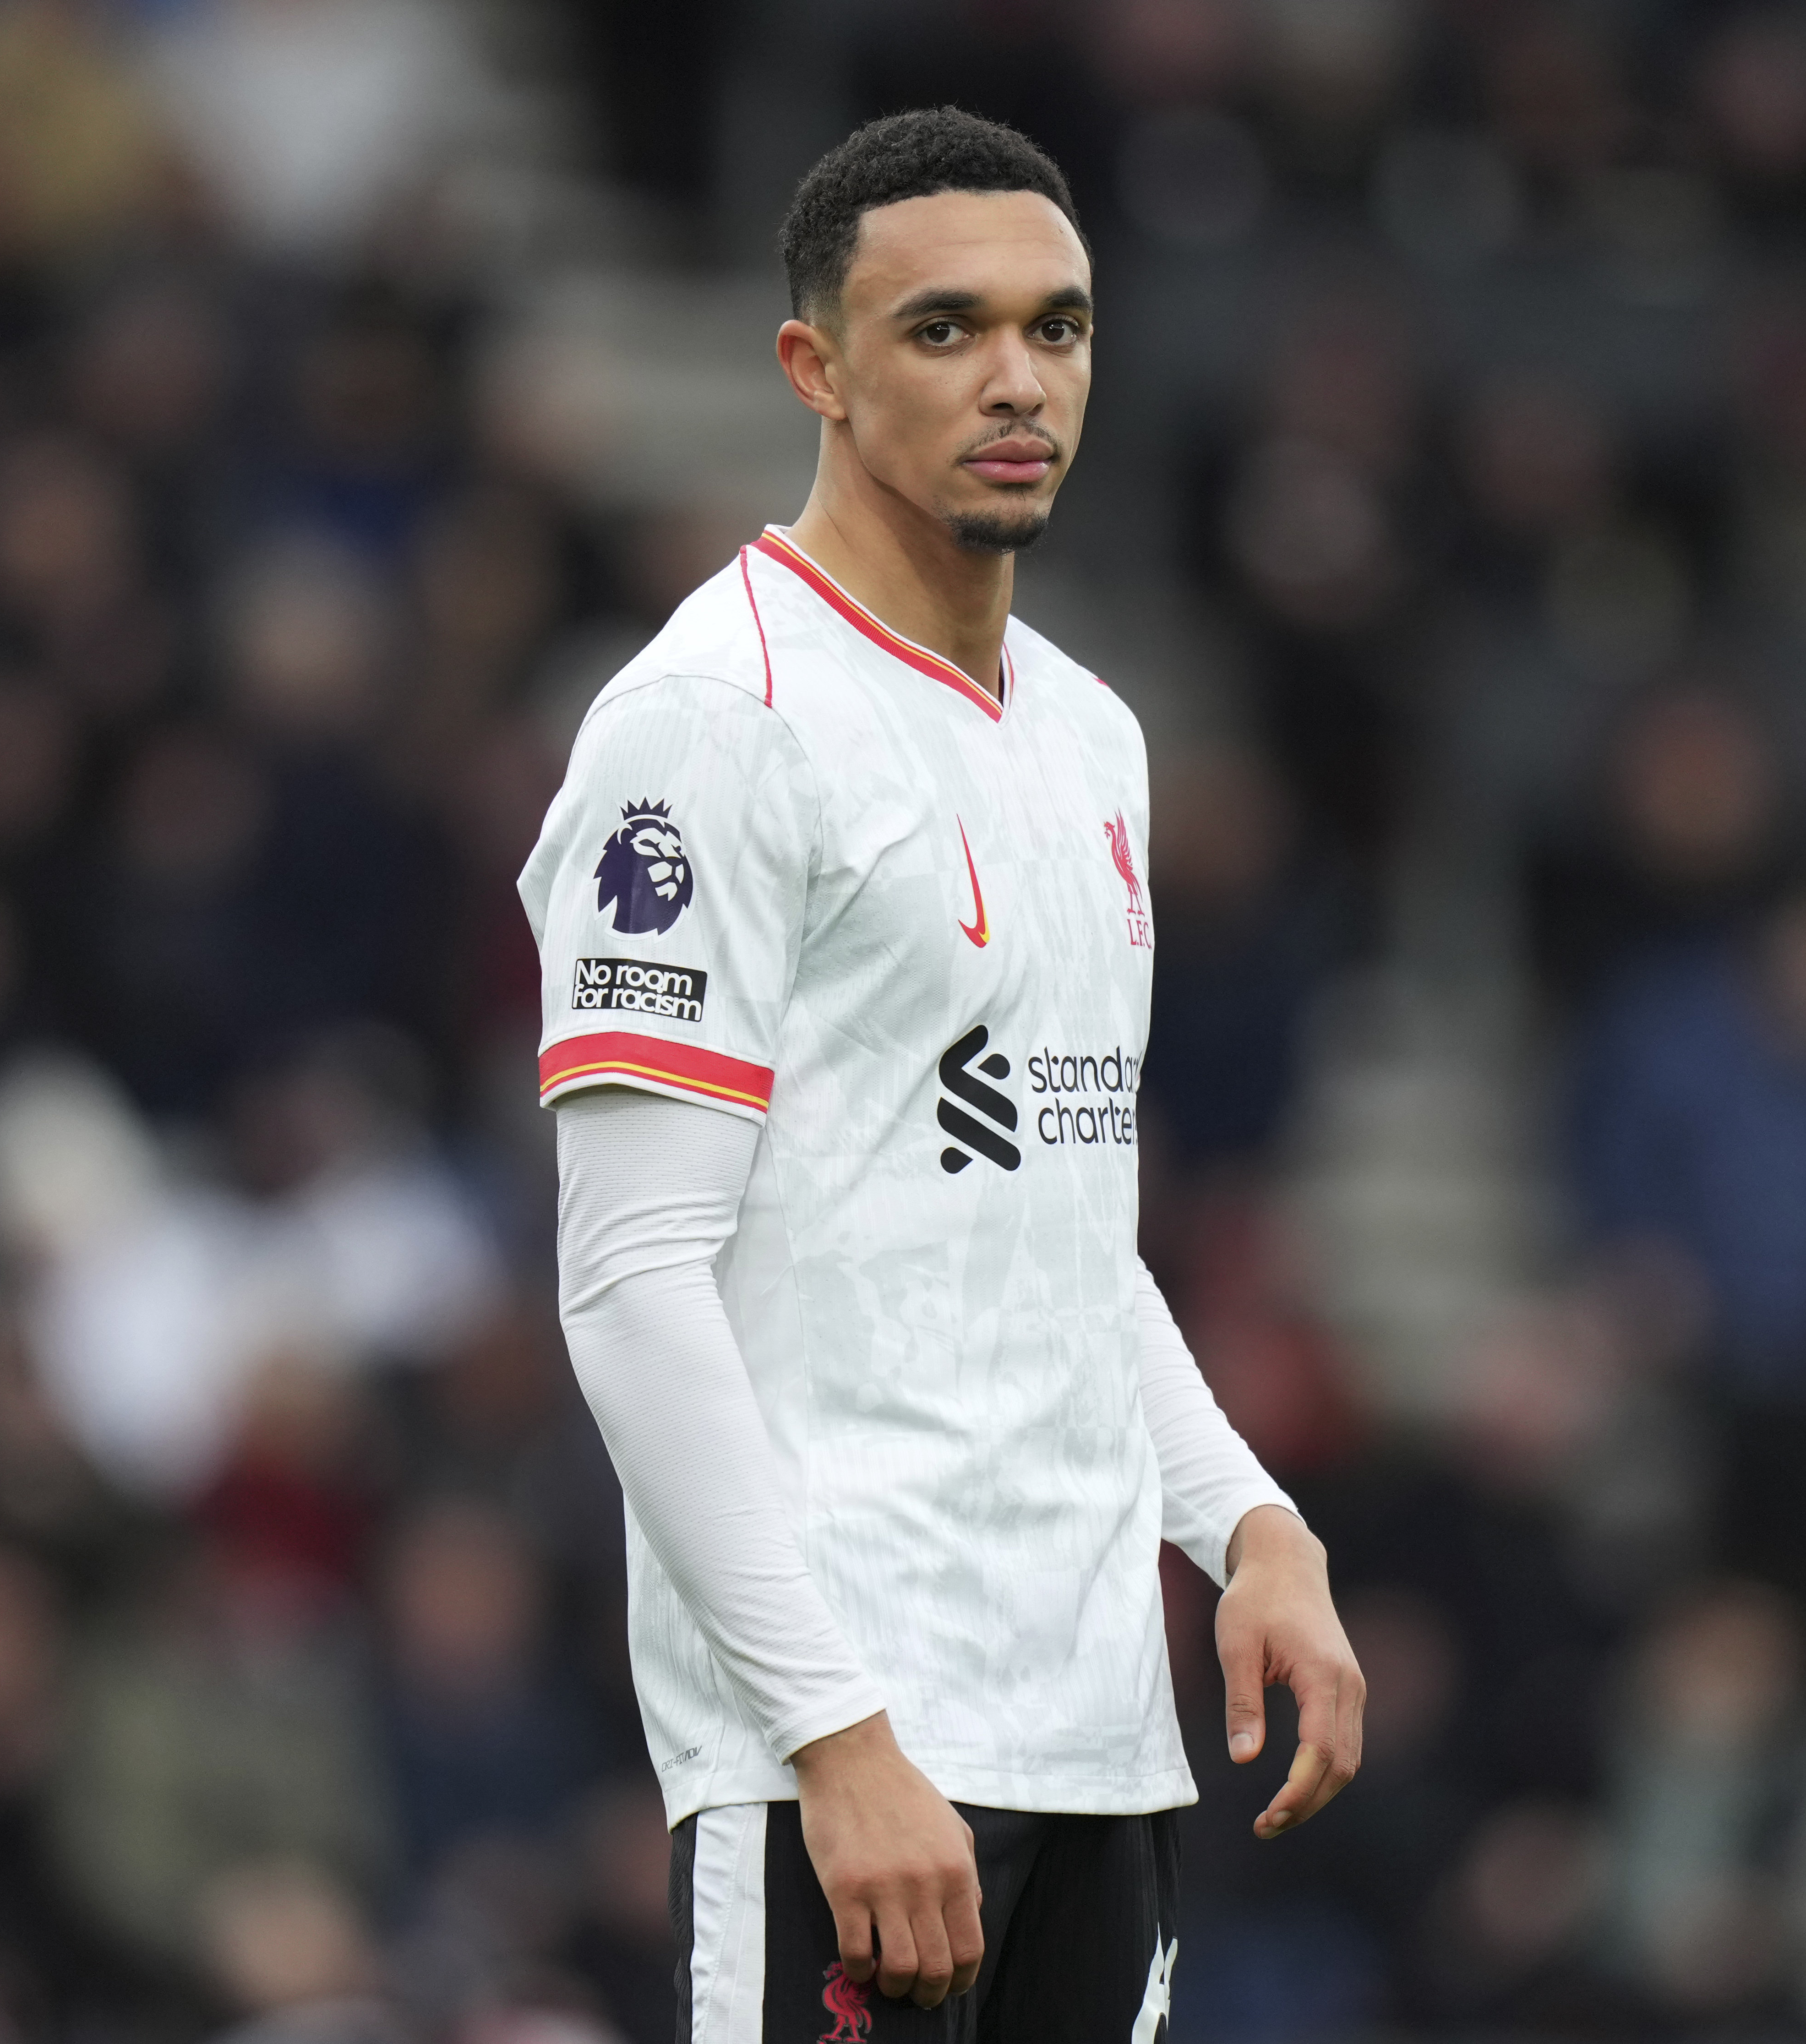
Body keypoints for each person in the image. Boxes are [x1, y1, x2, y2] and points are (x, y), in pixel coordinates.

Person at [515, 108, 1364, 2041]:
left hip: (1098, 1742)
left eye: (1057, 328)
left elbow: (1062, 1233)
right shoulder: (711, 726)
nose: (1018, 381)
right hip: (852, 1751)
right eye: (946, 328)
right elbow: (630, 1282)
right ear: (813, 367)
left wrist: (1250, 1526)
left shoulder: (1092, 739)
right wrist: (832, 1734)